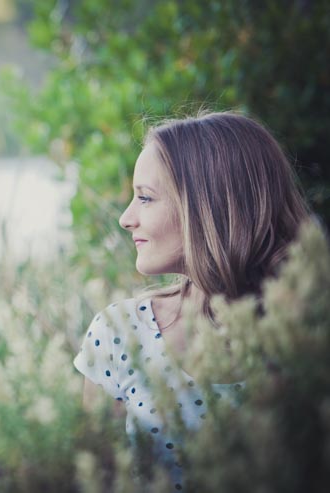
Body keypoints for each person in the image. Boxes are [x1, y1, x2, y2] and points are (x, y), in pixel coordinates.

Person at [72, 111, 312, 490]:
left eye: (145, 198)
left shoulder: (309, 333)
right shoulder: (119, 334)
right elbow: (96, 480)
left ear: (209, 206)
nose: (125, 219)